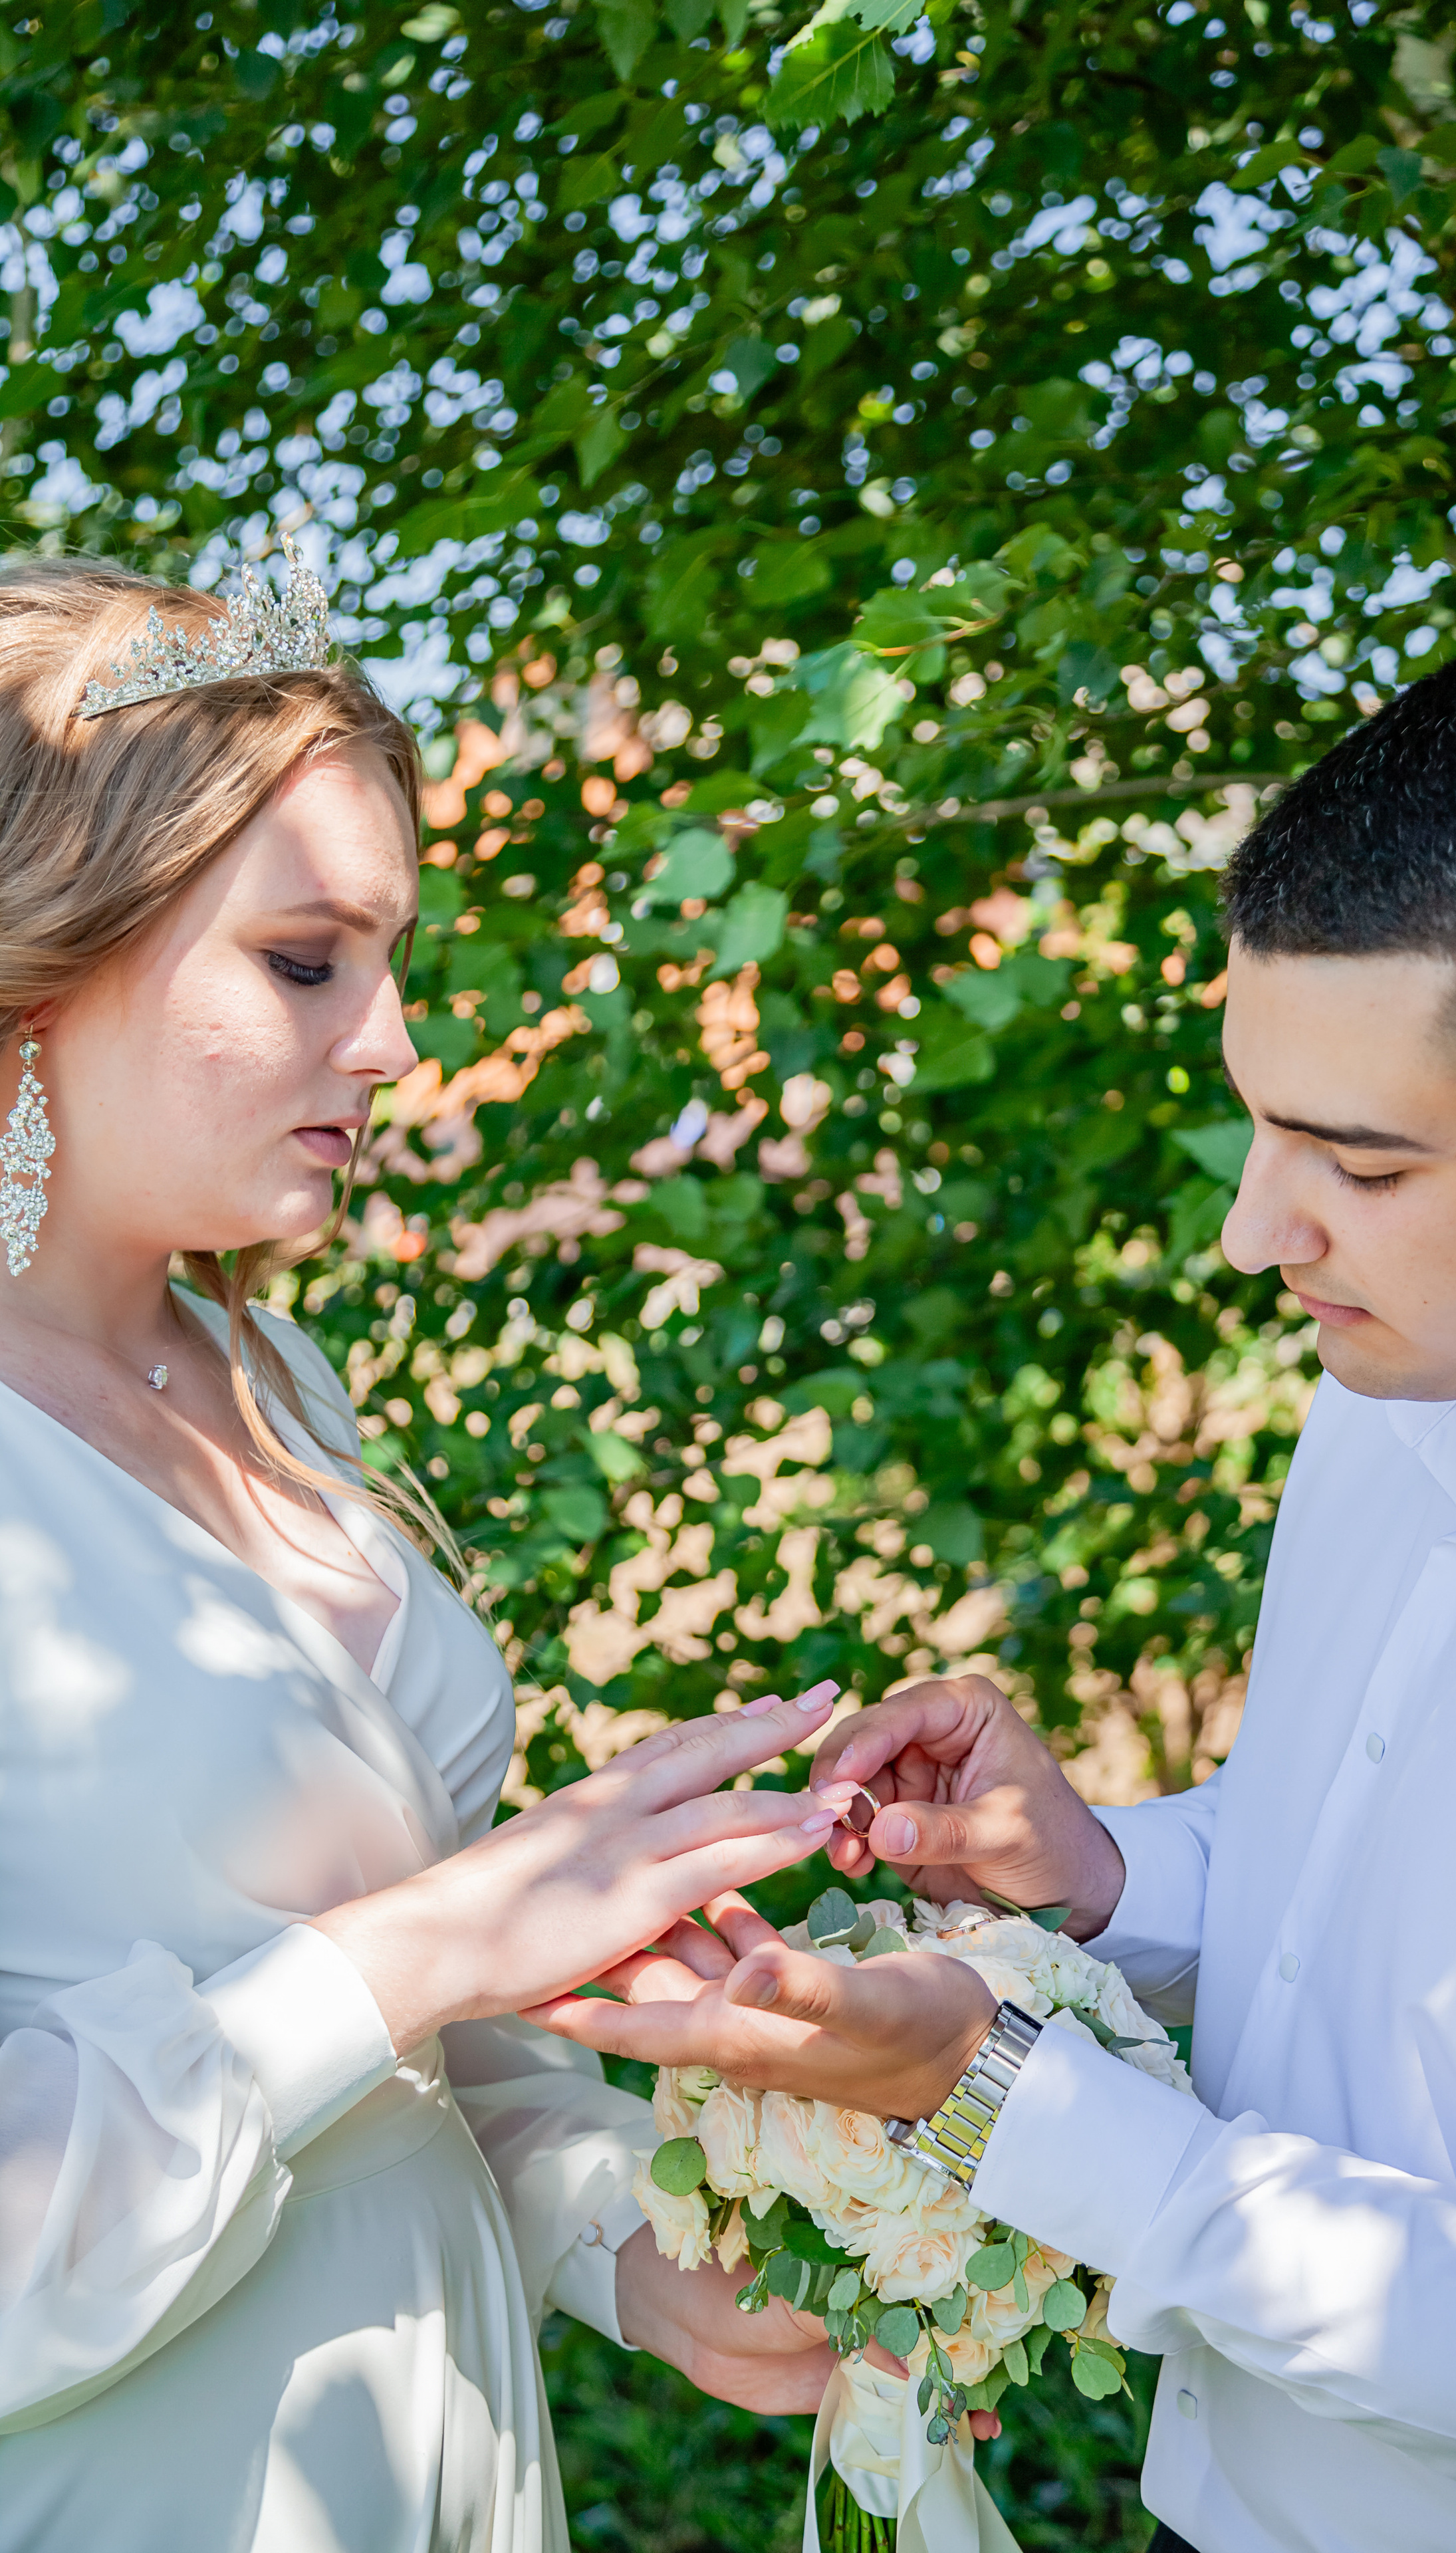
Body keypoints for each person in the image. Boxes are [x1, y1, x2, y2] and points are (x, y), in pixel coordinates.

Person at [549, 650, 1456, 2553]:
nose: (1255, 1233)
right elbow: (1355, 1904)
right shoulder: (1387, 1409)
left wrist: (989, 2093)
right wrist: (1098, 1879)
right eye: (1261, 1126)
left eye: (1362, 1164)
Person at [0, 552, 854, 2550]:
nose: (390, 1043)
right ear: (39, 968)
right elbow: (384, 1972)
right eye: (305, 961)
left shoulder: (271, 1377)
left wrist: (627, 2240)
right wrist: (457, 1928)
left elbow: (412, 2063)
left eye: (391, 961)